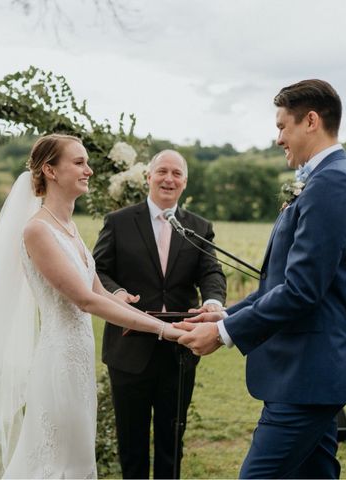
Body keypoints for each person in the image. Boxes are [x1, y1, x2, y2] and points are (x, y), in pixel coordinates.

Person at [0, 134, 184, 479]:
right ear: (50, 170)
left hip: (79, 362)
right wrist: (163, 329)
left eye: (87, 162)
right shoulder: (37, 231)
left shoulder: (68, 227)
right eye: (79, 162)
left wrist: (123, 301)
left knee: (75, 460)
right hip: (59, 365)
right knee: (55, 464)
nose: (90, 170)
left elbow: (99, 291)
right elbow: (84, 300)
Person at [175, 79, 346, 478]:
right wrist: (225, 315)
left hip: (308, 376)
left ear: (311, 121)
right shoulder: (324, 179)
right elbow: (281, 280)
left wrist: (224, 334)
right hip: (307, 376)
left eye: (283, 126)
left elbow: (302, 291)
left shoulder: (332, 183)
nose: (278, 137)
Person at [92, 149, 226, 479]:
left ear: (185, 183)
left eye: (177, 173)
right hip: (128, 348)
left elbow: (211, 273)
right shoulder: (119, 221)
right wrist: (116, 293)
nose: (169, 178)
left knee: (172, 442)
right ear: (148, 177)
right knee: (131, 443)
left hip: (179, 350)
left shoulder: (198, 227)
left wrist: (212, 301)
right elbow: (97, 270)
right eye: (162, 171)